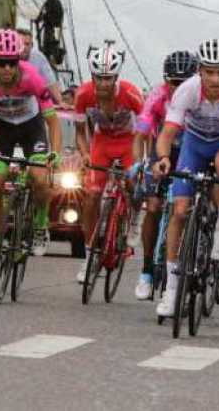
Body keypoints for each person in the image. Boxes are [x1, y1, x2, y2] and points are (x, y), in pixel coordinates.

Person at [153, 39, 219, 317]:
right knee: (179, 210)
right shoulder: (187, 90)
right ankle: (172, 290)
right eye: (209, 71)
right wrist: (163, 159)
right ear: (199, 70)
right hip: (194, 145)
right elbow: (167, 134)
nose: (215, 78)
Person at [0, 28, 61, 273]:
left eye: (12, 63)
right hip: (3, 131)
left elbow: (52, 120)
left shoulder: (32, 78)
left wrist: (55, 154)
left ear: (19, 61)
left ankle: (41, 226)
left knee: (40, 179)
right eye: (1, 63)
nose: (8, 69)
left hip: (32, 129)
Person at [73, 42, 144, 284]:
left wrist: (142, 160)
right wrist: (84, 154)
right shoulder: (83, 95)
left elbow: (147, 129)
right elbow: (81, 132)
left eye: (109, 78)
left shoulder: (131, 93)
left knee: (132, 180)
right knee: (92, 195)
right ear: (92, 75)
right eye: (99, 78)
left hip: (128, 142)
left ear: (116, 77)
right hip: (102, 142)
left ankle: (135, 214)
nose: (103, 83)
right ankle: (90, 254)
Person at [132, 50, 196, 299]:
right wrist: (140, 164)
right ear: (165, 80)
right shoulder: (157, 97)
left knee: (189, 205)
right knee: (154, 207)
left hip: (191, 151)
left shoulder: (198, 98)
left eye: (184, 83)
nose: (178, 87)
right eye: (173, 82)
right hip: (164, 149)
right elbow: (140, 135)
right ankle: (147, 270)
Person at [17, 28, 63, 104]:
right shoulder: (7, 58)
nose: (24, 47)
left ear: (32, 45)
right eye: (20, 44)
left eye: (27, 44)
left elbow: (50, 82)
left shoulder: (38, 57)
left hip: (34, 101)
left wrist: (60, 102)